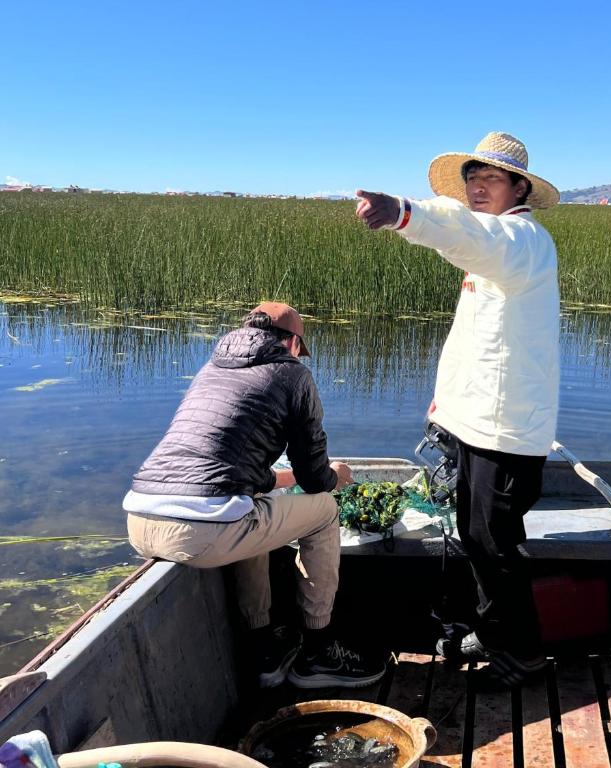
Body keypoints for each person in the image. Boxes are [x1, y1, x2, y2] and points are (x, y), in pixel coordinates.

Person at [356, 132, 560, 688]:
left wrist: (404, 214)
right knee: (476, 537)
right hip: (477, 422)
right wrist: (444, 407)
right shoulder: (492, 251)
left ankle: (520, 656)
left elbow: (472, 235)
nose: (476, 188)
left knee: (493, 544)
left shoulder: (520, 241)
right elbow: (475, 342)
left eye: (490, 179)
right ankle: (493, 632)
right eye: (472, 179)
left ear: (520, 187)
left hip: (506, 429)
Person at [123, 301, 385, 689]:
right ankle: (317, 652)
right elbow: (315, 482)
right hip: (203, 533)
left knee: (253, 508)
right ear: (293, 342)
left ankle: (263, 649)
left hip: (140, 519)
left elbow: (226, 470)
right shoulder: (292, 374)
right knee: (325, 511)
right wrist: (335, 476)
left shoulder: (210, 370)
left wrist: (281, 479)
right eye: (301, 348)